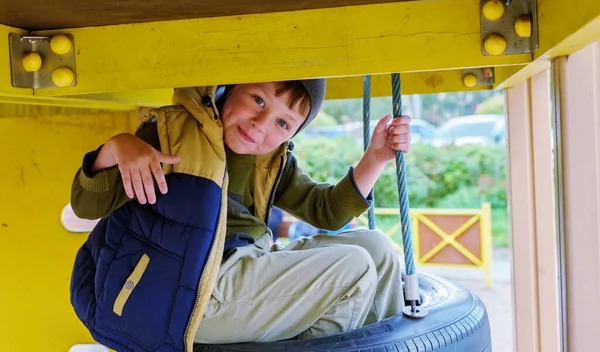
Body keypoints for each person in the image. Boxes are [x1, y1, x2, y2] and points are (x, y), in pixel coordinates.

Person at [69, 80, 412, 350]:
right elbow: (86, 205)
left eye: (282, 122)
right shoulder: (173, 136)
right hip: (187, 293)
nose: (261, 124)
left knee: (376, 248)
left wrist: (376, 157)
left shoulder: (269, 160)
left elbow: (327, 210)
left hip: (243, 270)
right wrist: (117, 147)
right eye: (258, 100)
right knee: (353, 268)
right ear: (229, 88)